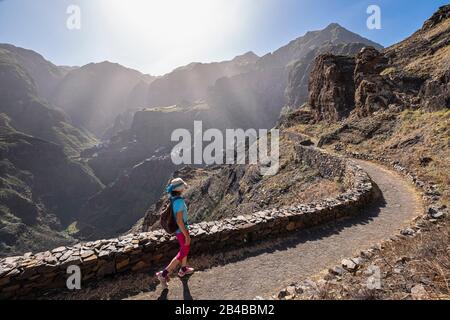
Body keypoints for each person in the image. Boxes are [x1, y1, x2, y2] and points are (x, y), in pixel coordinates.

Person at [156, 178, 195, 288]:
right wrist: (186, 235)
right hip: (181, 230)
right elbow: (179, 220)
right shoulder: (179, 201)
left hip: (179, 231)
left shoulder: (172, 198)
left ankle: (183, 269)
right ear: (180, 189)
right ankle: (163, 274)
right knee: (183, 252)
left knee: (184, 250)